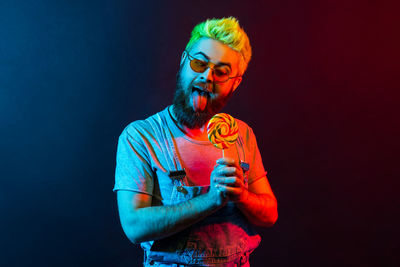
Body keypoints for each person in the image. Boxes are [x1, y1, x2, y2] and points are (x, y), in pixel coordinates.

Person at [114, 17, 278, 266]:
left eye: (222, 72)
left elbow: (269, 214)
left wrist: (241, 195)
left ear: (235, 83)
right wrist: (212, 199)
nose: (207, 77)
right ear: (183, 61)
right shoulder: (140, 137)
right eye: (199, 63)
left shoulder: (241, 134)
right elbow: (134, 226)